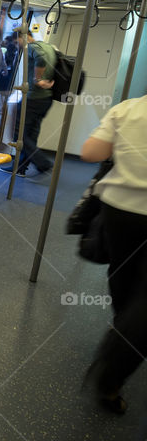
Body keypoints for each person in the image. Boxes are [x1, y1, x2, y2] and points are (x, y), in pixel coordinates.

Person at [80, 95, 147, 414]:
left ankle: (123, 326)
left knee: (122, 272)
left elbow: (91, 152)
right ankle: (112, 371)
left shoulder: (127, 109)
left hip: (119, 210)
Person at [0, 25, 56, 179]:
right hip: (45, 99)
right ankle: (21, 168)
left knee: (19, 133)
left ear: (22, 37)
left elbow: (41, 58)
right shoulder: (48, 46)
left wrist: (37, 79)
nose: (17, 46)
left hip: (33, 98)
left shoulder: (32, 47)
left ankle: (42, 162)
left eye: (17, 42)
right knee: (31, 134)